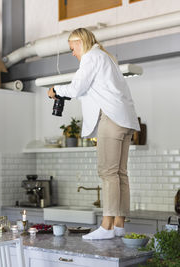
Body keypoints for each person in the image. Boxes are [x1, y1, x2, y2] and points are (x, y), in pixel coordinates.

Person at [48, 28, 140, 240]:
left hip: (111, 118)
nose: (73, 53)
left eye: (72, 48)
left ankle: (106, 227)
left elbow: (76, 88)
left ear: (80, 42)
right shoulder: (107, 58)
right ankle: (119, 225)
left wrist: (56, 89)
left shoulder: (91, 57)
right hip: (125, 120)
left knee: (107, 172)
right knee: (120, 173)